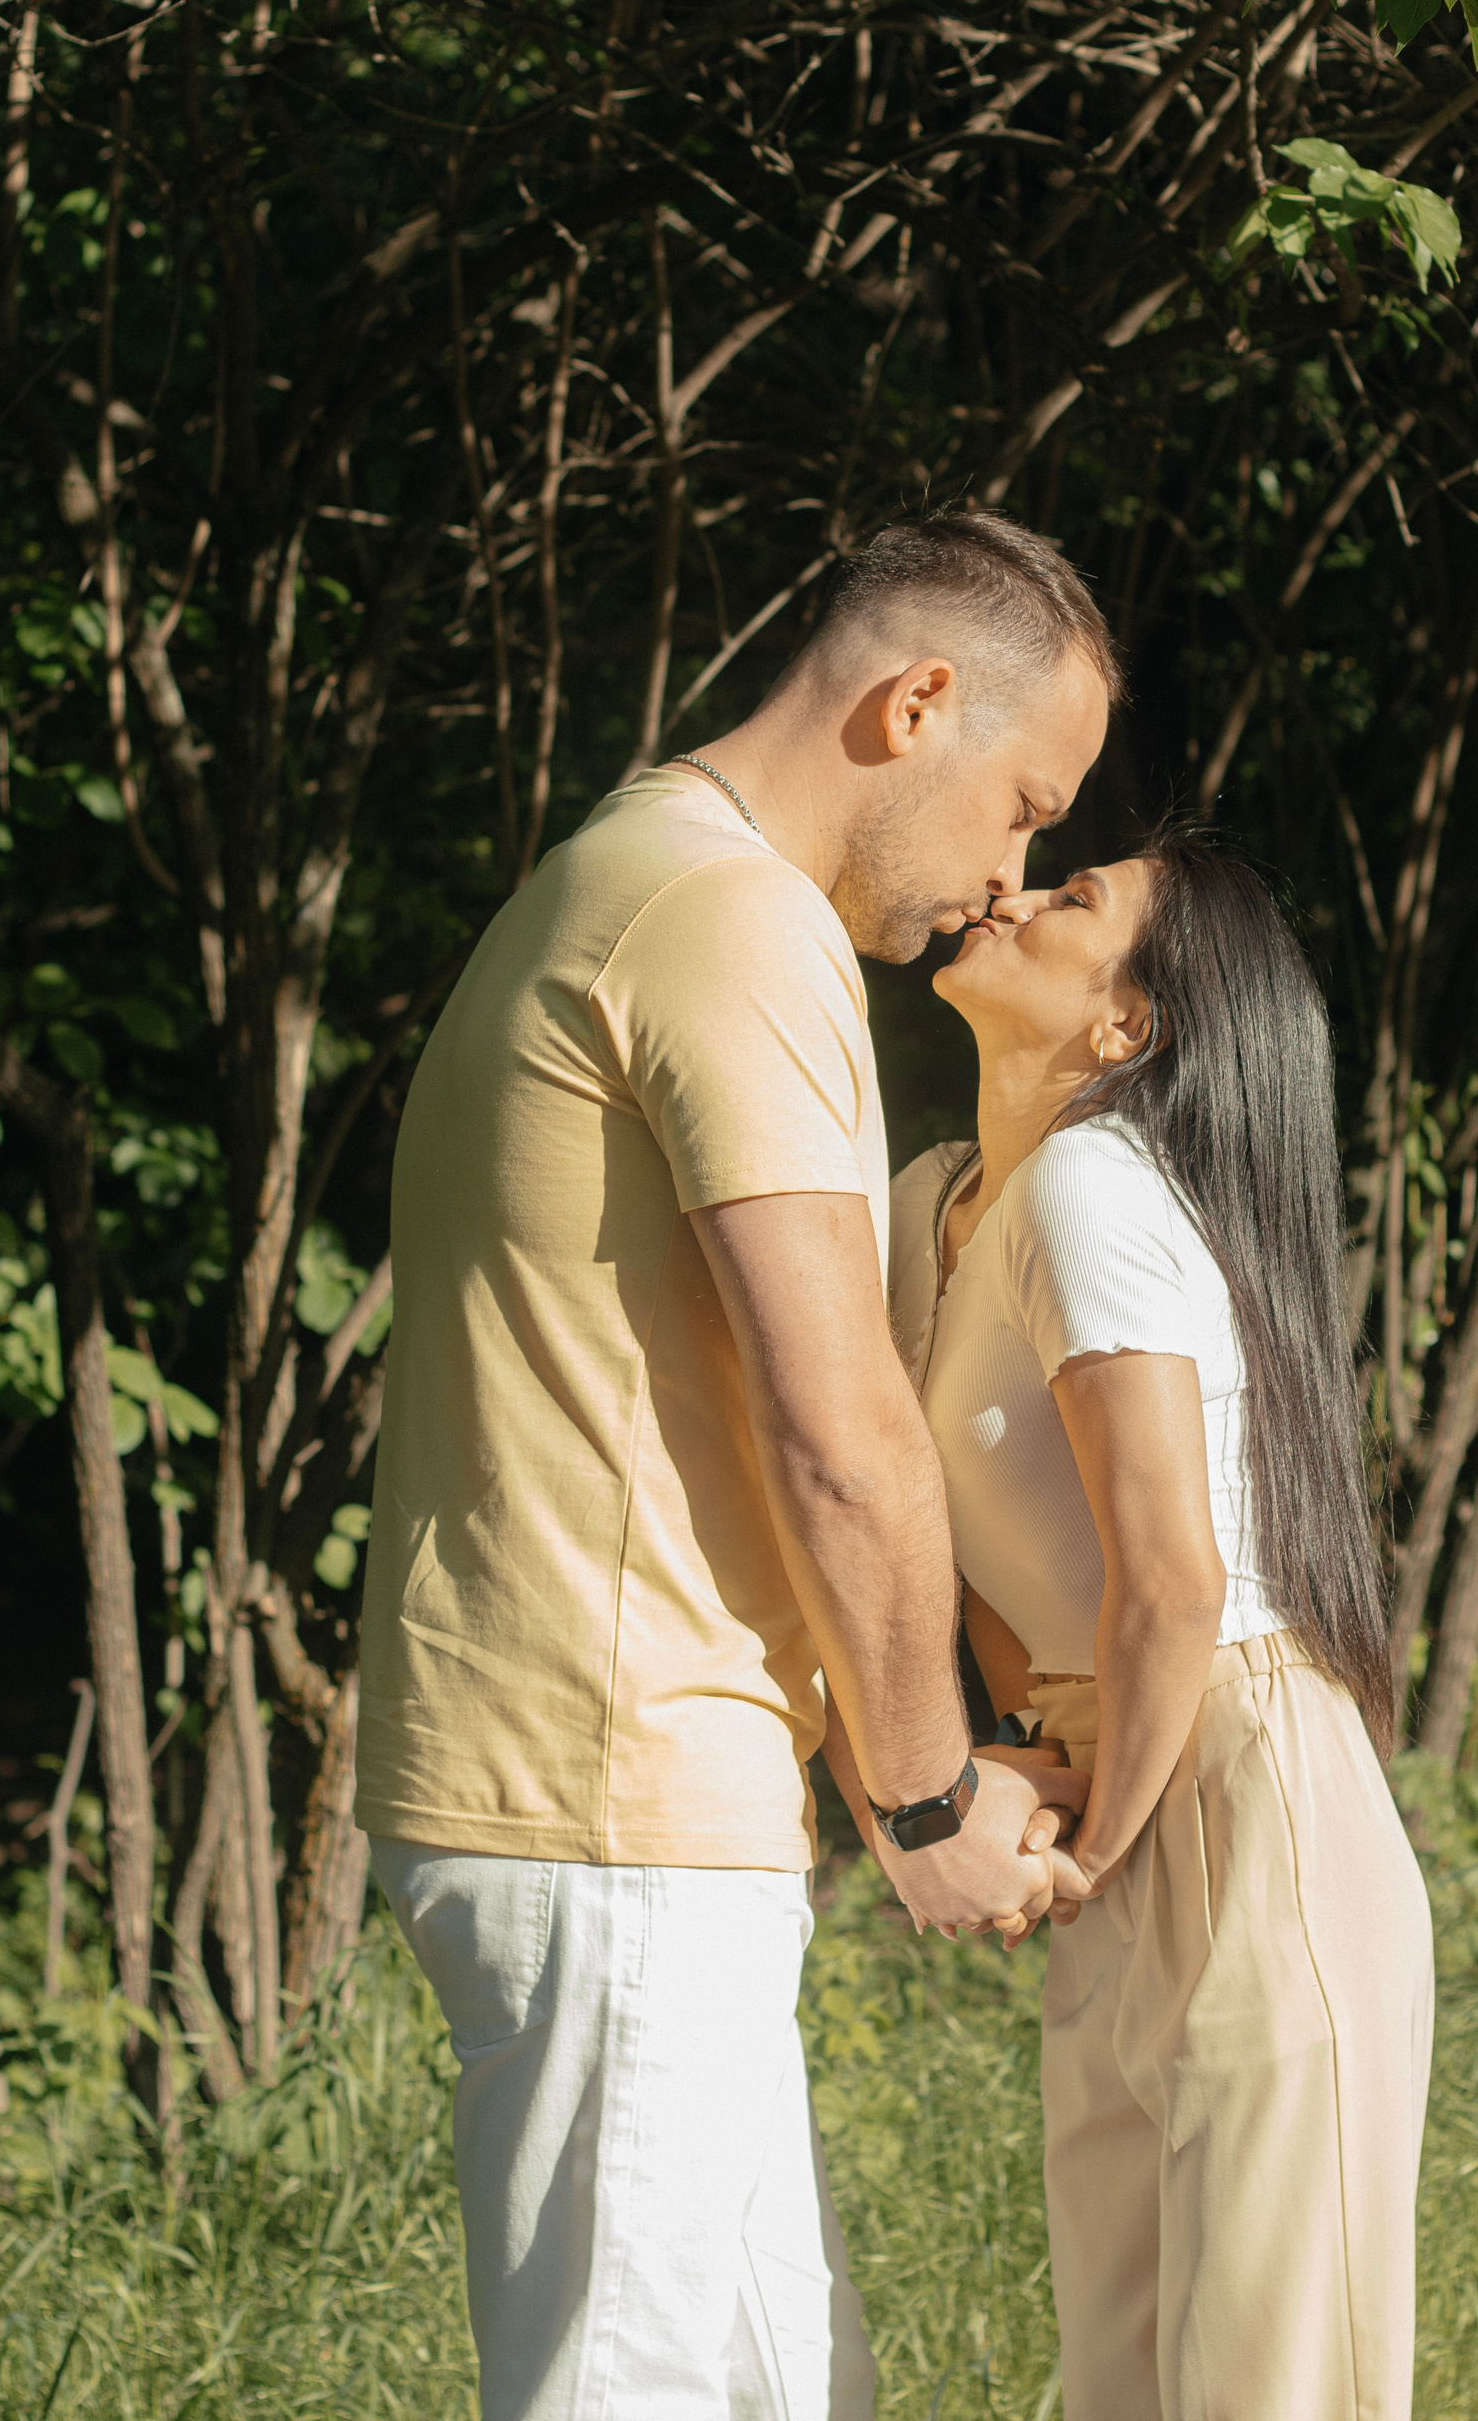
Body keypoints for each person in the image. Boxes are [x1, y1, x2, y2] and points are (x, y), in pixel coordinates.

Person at [354, 515, 1117, 2421]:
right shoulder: (729, 918)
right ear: (914, 704)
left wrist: (875, 1773)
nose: (1010, 875)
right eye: (1024, 807)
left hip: (633, 1788)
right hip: (614, 1793)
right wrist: (928, 1802)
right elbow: (833, 1422)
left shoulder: (619, 875)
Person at [885, 822, 1435, 2421]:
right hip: (1121, 1769)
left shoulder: (1090, 1186)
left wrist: (1094, 1850)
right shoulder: (941, 1206)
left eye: (1076, 898)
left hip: (1247, 1796)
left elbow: (1176, 1576)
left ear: (1128, 1022)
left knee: (1270, 2385)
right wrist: (1018, 1761)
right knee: (1122, 2380)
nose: (1012, 887)